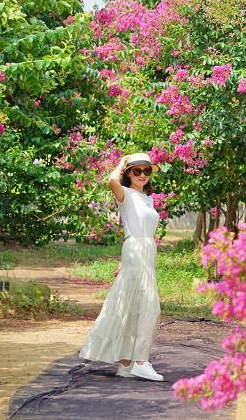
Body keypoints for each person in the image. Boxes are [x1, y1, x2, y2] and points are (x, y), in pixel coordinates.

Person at [79, 152, 164, 381]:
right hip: (136, 249)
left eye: (146, 171)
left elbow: (139, 229)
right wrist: (123, 160)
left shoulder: (149, 198)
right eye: (137, 170)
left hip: (144, 251)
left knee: (132, 306)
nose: (142, 175)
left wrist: (123, 260)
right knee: (149, 307)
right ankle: (141, 361)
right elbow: (111, 180)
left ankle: (126, 364)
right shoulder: (124, 193)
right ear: (128, 172)